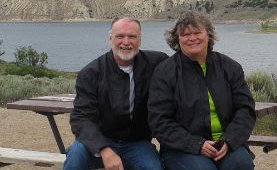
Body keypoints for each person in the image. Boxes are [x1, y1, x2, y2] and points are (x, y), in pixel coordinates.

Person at [148, 11, 256, 170]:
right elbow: (159, 121)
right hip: (182, 148)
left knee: (241, 164)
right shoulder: (165, 72)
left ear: (209, 35)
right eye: (185, 34)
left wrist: (229, 140)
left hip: (225, 144)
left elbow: (245, 109)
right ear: (177, 39)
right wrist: (197, 145)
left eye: (197, 32)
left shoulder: (229, 67)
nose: (192, 38)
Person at [64, 16, 168, 170]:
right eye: (120, 36)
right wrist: (104, 150)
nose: (126, 42)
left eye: (132, 36)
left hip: (137, 142)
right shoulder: (91, 73)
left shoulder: (156, 63)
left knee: (153, 167)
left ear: (140, 40)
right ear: (110, 39)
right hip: (99, 139)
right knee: (76, 153)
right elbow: (82, 118)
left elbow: (183, 65)